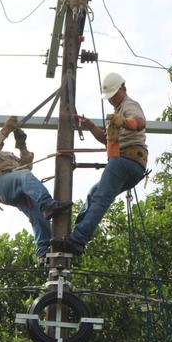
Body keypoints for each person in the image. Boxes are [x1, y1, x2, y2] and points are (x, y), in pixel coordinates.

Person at [51, 73, 148, 255]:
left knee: (101, 198)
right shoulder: (117, 112)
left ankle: (77, 240)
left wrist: (125, 121)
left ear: (123, 88)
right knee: (94, 193)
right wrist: (89, 125)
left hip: (126, 160)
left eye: (113, 95)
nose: (111, 100)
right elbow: (106, 139)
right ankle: (76, 235)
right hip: (128, 164)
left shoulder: (129, 105)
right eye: (109, 97)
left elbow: (140, 123)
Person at [0, 116, 72, 265]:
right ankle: (48, 204)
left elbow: (26, 166)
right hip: (0, 185)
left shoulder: (5, 155)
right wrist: (5, 130)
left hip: (16, 185)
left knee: (38, 216)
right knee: (24, 177)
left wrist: (22, 146)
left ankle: (43, 253)